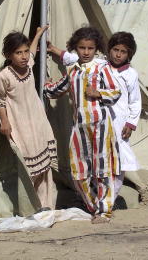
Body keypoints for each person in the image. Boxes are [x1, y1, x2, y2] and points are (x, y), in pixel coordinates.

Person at [49, 32, 141, 203]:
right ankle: (96, 199)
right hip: (99, 122)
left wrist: (131, 122)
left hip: (119, 123)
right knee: (96, 161)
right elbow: (73, 59)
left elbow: (135, 102)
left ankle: (109, 200)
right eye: (115, 50)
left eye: (123, 52)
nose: (118, 55)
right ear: (108, 50)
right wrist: (53, 49)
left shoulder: (130, 74)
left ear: (129, 54)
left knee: (119, 163)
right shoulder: (99, 64)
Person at [44, 27, 121, 224]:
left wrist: (99, 93)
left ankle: (104, 211)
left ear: (96, 49)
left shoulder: (102, 68)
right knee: (79, 170)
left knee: (101, 168)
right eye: (81, 48)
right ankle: (93, 205)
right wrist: (44, 82)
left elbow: (115, 92)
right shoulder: (72, 71)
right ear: (75, 49)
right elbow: (55, 90)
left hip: (100, 124)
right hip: (79, 126)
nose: (86, 52)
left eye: (90, 48)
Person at [0, 26, 56, 211]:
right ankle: (30, 206)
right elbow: (1, 100)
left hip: (37, 119)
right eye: (18, 53)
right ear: (8, 55)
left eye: (24, 52)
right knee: (29, 163)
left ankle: (45, 203)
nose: (23, 56)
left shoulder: (28, 64)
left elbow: (33, 50)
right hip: (20, 123)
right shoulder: (4, 76)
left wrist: (37, 34)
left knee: (44, 163)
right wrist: (4, 122)